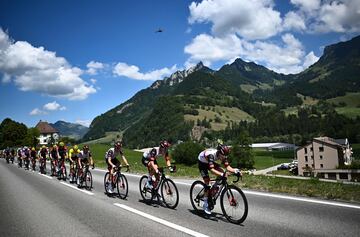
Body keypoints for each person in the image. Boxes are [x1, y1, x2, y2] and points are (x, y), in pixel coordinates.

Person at [197, 142, 241, 215]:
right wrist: (222, 174)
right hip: (202, 162)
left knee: (222, 171)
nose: (224, 157)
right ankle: (205, 203)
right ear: (219, 153)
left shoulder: (223, 155)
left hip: (209, 162)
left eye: (225, 156)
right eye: (223, 156)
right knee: (207, 182)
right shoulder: (211, 155)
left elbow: (227, 167)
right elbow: (212, 170)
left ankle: (215, 187)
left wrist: (235, 171)